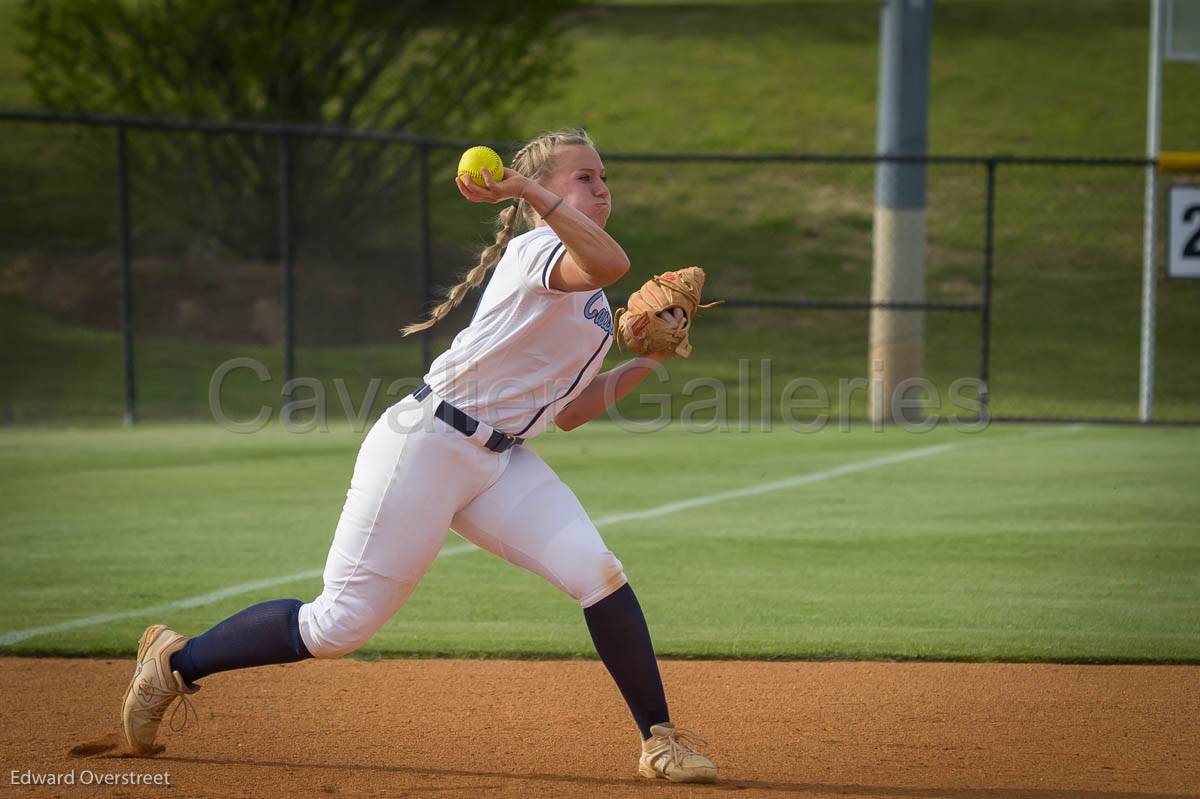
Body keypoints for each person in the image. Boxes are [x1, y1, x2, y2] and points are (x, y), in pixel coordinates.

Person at [120, 128, 717, 784]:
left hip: (501, 462)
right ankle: (173, 664)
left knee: (597, 571)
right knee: (336, 625)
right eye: (583, 177)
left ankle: (659, 740)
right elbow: (607, 264)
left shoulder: (600, 312)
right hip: (427, 442)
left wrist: (647, 361)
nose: (601, 187)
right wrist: (523, 189)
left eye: (603, 176)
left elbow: (570, 412)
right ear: (542, 193)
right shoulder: (539, 250)